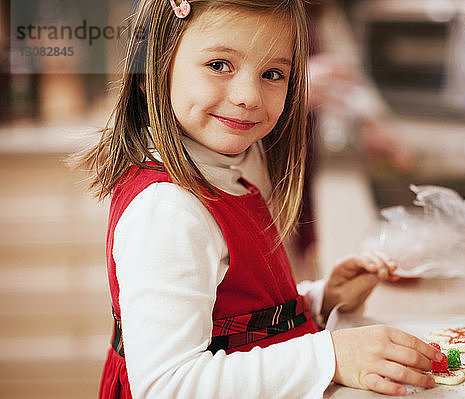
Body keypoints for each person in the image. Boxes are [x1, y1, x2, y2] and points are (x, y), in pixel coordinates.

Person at [74, 1, 443, 397]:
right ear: (151, 71)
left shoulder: (223, 176)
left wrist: (316, 301)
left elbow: (232, 323)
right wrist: (329, 354)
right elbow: (170, 385)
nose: (249, 96)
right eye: (219, 65)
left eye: (272, 74)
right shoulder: (168, 211)